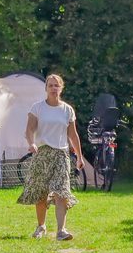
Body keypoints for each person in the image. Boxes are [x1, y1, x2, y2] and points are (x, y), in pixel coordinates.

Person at [18, 73, 86, 240]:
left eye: (56, 85)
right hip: (42, 153)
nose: (54, 88)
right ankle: (41, 227)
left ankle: (61, 231)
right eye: (50, 85)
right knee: (41, 192)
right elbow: (29, 129)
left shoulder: (67, 110)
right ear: (46, 89)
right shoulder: (38, 108)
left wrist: (79, 157)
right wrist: (31, 142)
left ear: (61, 88)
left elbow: (73, 134)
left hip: (61, 155)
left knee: (61, 192)